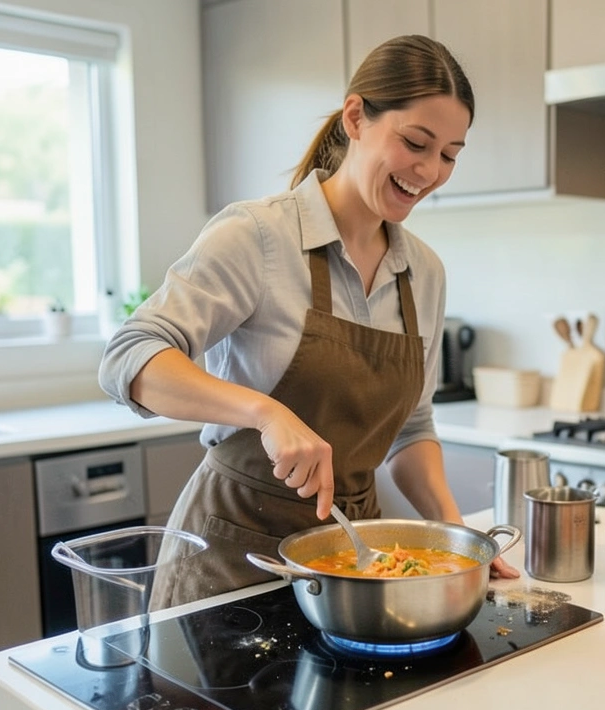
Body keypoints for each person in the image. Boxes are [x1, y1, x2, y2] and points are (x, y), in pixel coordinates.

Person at [99, 34, 521, 608]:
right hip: (230, 563)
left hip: (355, 569)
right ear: (355, 117)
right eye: (415, 143)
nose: (429, 171)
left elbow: (412, 427)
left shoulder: (424, 272)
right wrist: (264, 412)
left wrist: (461, 539)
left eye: (449, 155)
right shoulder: (257, 236)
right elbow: (129, 355)